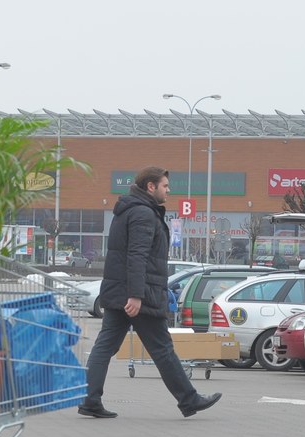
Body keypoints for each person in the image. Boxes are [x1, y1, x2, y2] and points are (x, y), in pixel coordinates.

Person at [79, 166, 221, 419]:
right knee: (162, 349)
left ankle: (89, 399)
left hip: (120, 291)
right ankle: (189, 400)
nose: (169, 190)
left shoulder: (128, 210)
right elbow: (137, 256)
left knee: (104, 346)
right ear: (150, 187)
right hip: (138, 295)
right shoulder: (143, 214)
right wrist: (136, 295)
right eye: (165, 186)